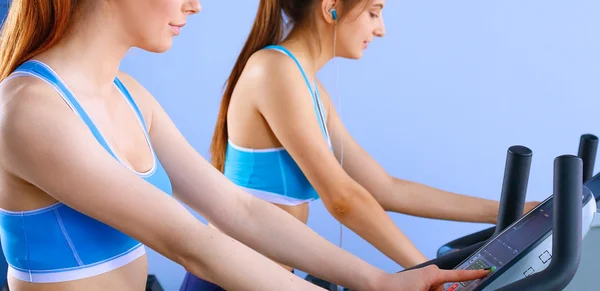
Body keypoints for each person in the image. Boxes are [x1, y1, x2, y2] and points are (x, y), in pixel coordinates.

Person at [0, 0, 492, 290]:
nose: (196, 4)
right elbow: (189, 241)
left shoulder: (130, 95)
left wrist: (381, 282)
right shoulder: (30, 109)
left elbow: (239, 210)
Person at [186, 0, 540, 288]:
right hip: (229, 277)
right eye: (373, 11)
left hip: (268, 276)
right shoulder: (274, 70)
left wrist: (515, 209)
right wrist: (429, 272)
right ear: (331, 8)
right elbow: (343, 200)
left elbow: (386, 189)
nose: (381, 29)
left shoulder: (308, 85)